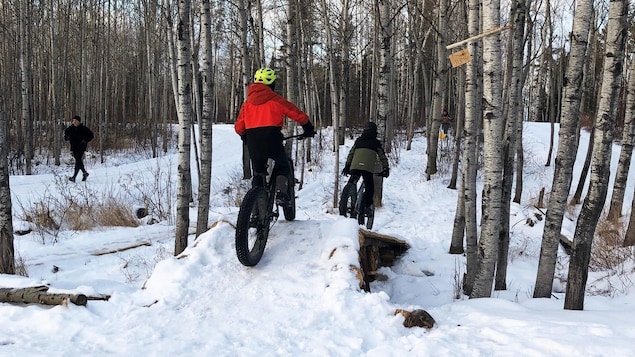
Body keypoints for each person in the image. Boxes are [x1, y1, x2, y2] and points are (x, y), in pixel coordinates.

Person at [234, 67, 315, 206]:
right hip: (272, 140)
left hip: (254, 142)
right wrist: (308, 127)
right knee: (283, 165)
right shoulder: (275, 99)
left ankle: (255, 208)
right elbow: (295, 113)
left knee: (258, 173)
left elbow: (239, 127)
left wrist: (245, 136)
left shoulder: (247, 104)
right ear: (271, 84)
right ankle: (282, 194)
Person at [342, 122, 390, 215]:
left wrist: (347, 166)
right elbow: (382, 157)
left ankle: (347, 203)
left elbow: (351, 154)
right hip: (367, 169)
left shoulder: (359, 140)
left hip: (355, 167)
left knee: (351, 182)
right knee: (369, 188)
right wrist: (386, 168)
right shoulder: (376, 143)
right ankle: (367, 208)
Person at [64, 115, 94, 182]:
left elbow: (91, 135)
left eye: (76, 121)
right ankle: (85, 173)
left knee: (78, 160)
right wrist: (67, 137)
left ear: (79, 122)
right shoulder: (70, 128)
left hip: (81, 146)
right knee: (79, 161)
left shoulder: (83, 128)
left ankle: (74, 177)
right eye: (73, 120)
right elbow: (66, 135)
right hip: (73, 147)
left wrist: (85, 140)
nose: (74, 122)